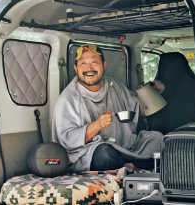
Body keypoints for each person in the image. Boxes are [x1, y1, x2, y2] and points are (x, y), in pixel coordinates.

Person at [52, 44, 164, 172]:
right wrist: (97, 125)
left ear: (104, 65)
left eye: (94, 62)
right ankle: (132, 165)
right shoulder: (69, 98)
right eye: (83, 63)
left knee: (157, 138)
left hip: (125, 147)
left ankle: (128, 166)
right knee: (105, 153)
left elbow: (139, 110)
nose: (89, 68)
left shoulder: (113, 85)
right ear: (76, 68)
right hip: (91, 152)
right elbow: (66, 141)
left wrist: (152, 91)